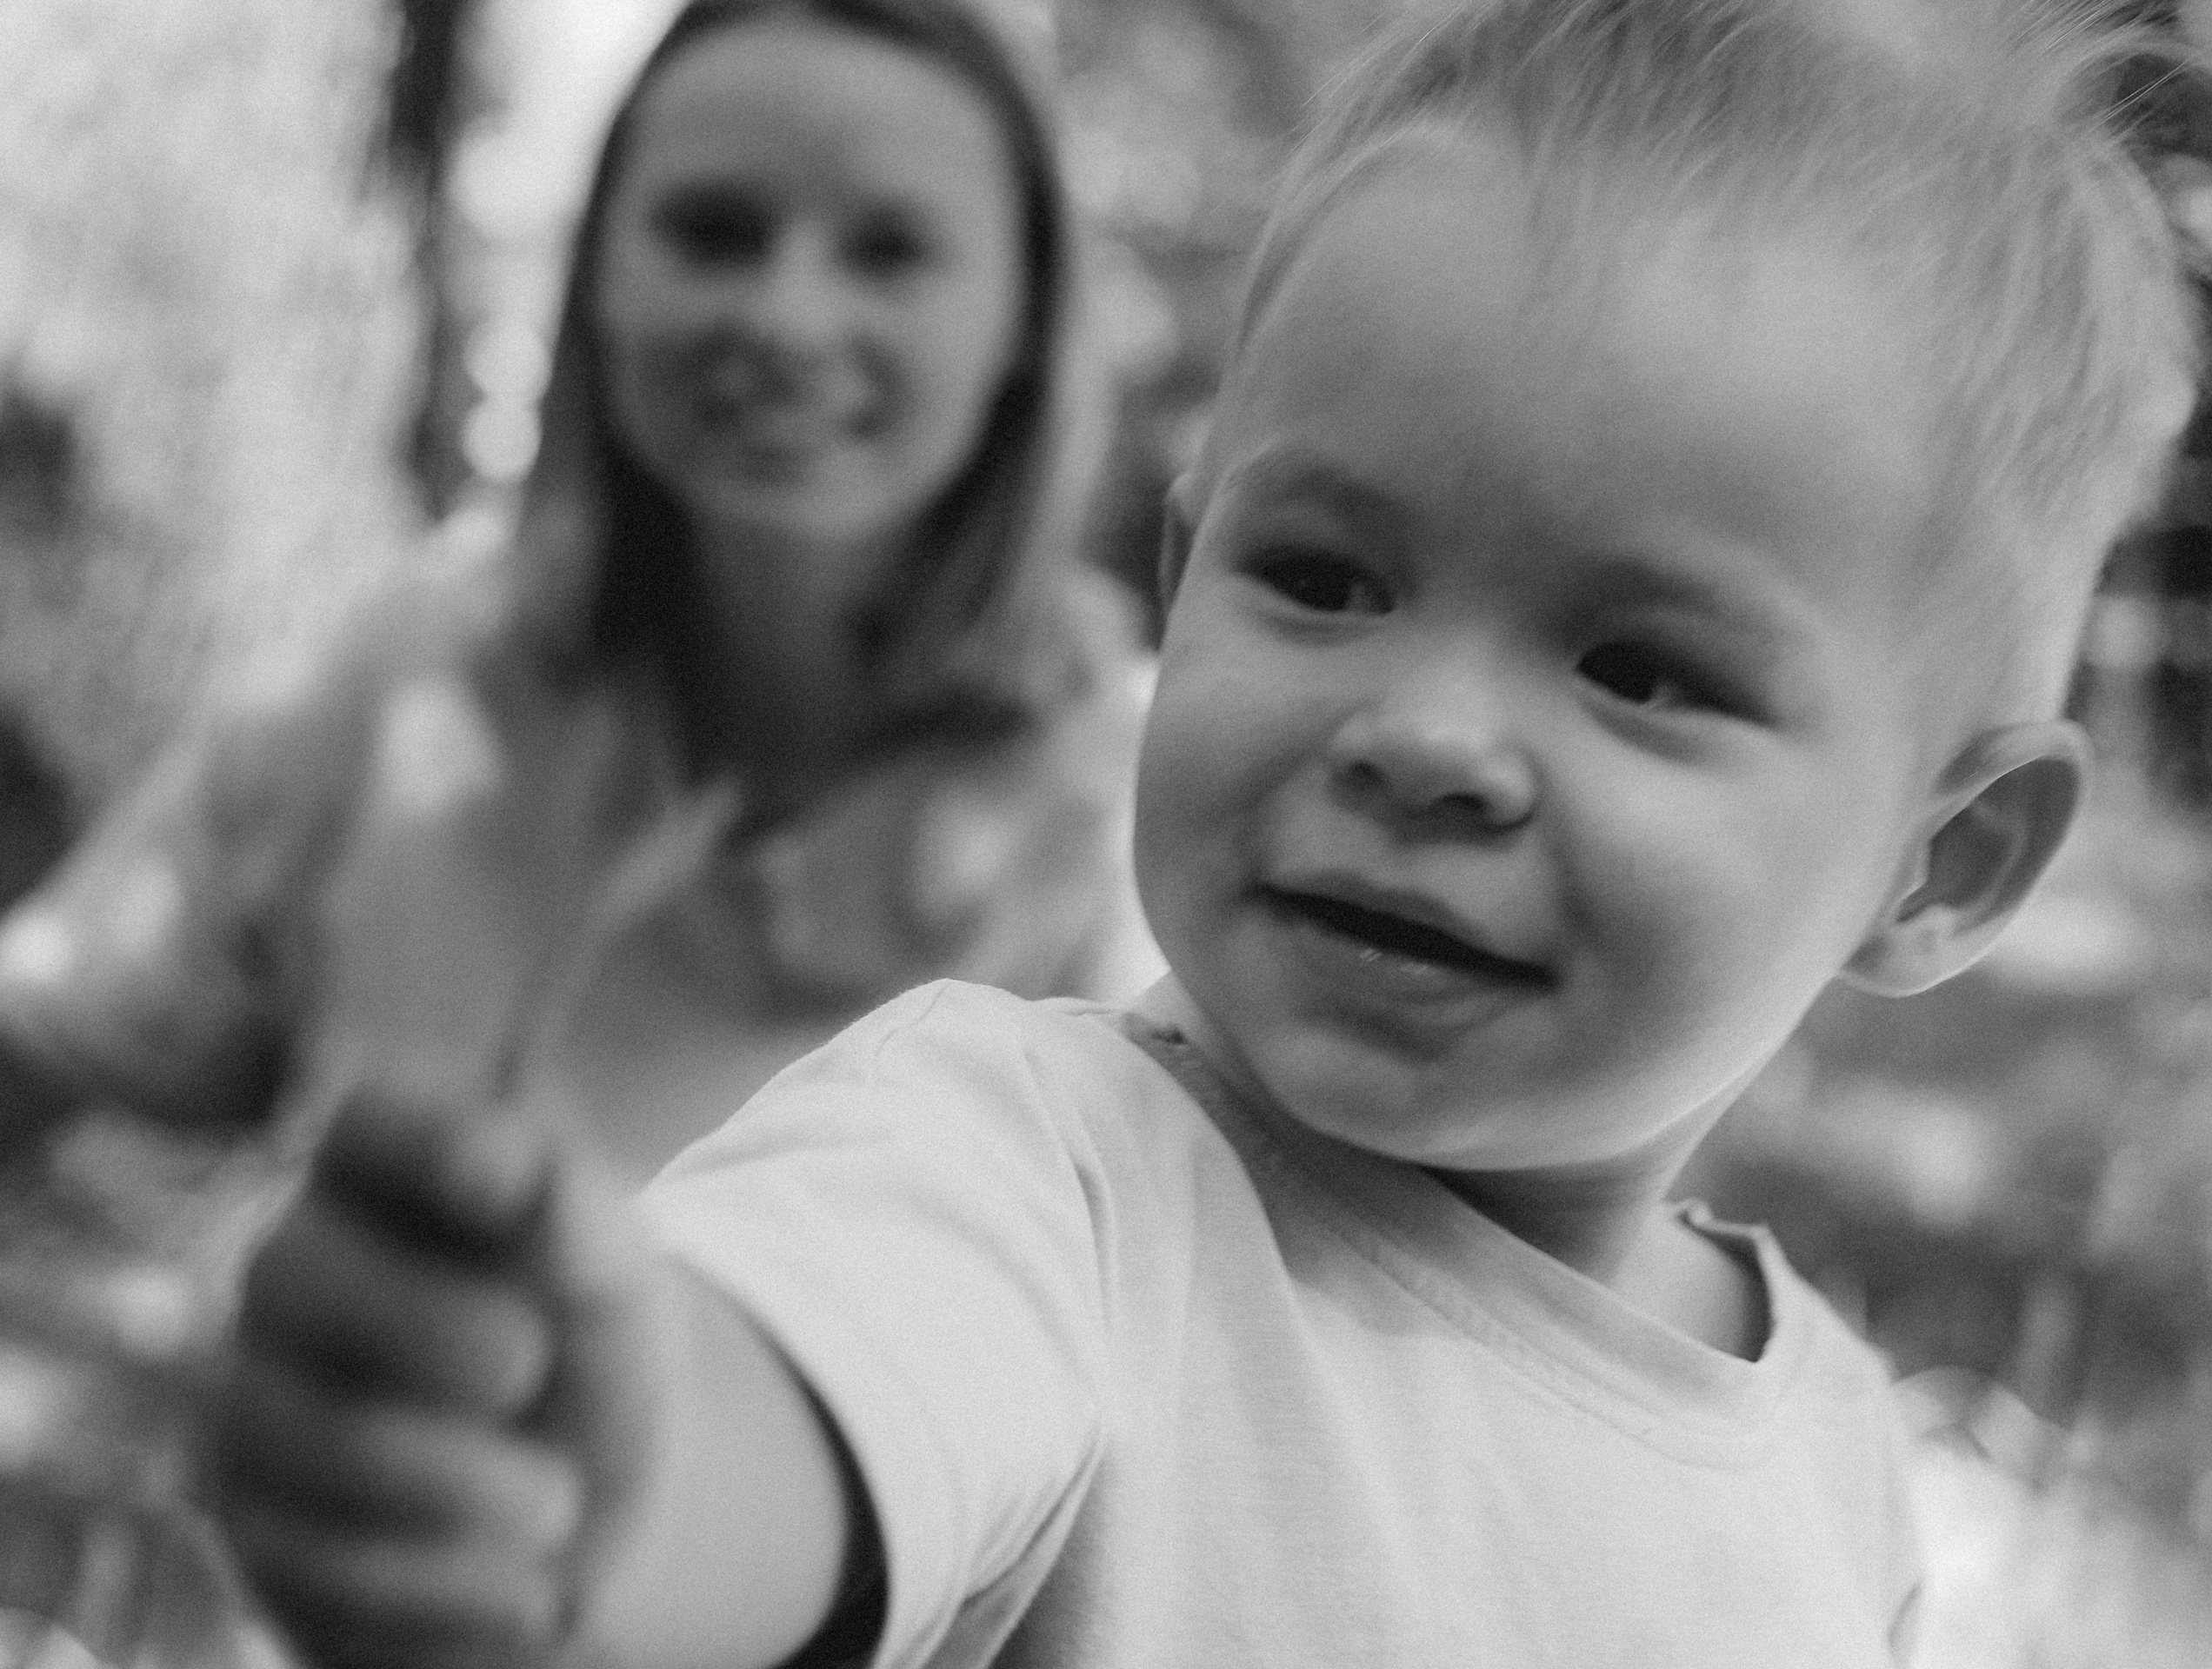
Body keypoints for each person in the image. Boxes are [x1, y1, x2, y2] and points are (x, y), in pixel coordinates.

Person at [205, 0, 2201, 1665]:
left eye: (1635, 668)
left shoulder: (1827, 1455)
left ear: (1941, 860)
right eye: (1325, 581)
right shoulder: (1029, 1178)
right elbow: (782, 1438)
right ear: (1182, 575)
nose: (1420, 737)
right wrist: (591, 1482)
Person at [514, 0, 1160, 1172]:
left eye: (889, 249)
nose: (786, 319)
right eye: (714, 232)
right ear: (597, 268)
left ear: (1025, 316)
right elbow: (79, 1030)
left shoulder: (1143, 832)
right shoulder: (413, 682)